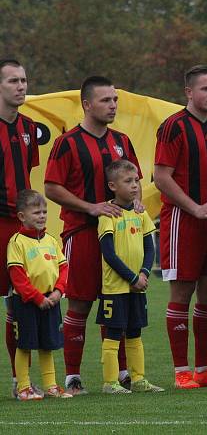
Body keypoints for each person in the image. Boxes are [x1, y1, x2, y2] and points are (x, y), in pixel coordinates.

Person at [44, 75, 142, 395]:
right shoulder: (67, 143)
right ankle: (72, 377)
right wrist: (92, 207)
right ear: (87, 104)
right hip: (82, 233)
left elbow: (133, 182)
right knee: (81, 304)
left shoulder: (122, 141)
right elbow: (52, 188)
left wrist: (137, 202)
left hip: (119, 235)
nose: (113, 105)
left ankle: (121, 375)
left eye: (115, 100)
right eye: (105, 100)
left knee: (119, 303)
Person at [154, 65, 207, 389]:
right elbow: (161, 176)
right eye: (205, 89)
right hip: (182, 220)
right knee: (181, 293)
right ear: (189, 92)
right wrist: (194, 207)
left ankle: (203, 368)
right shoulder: (173, 126)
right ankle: (181, 371)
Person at [96, 160, 163, 394]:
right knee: (114, 333)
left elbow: (150, 247)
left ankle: (139, 379)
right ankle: (110, 382)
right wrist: (132, 278)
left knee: (135, 331)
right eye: (128, 181)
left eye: (136, 181)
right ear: (113, 186)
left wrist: (144, 274)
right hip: (116, 287)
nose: (135, 185)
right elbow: (109, 254)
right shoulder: (107, 214)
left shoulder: (139, 211)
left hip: (138, 285)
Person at [0, 59, 40, 397]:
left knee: (18, 303)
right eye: (13, 80)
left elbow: (26, 178)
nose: (21, 86)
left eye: (24, 80)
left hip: (20, 229)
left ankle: (20, 382)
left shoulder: (28, 128)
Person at [7, 190, 70, 400]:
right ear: (22, 216)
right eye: (36, 212)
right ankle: (24, 387)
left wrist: (58, 291)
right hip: (26, 302)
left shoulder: (51, 240)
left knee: (47, 344)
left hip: (51, 300)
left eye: (44, 212)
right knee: (25, 345)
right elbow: (18, 276)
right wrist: (37, 298)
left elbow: (63, 268)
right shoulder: (17, 242)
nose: (42, 216)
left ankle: (51, 386)